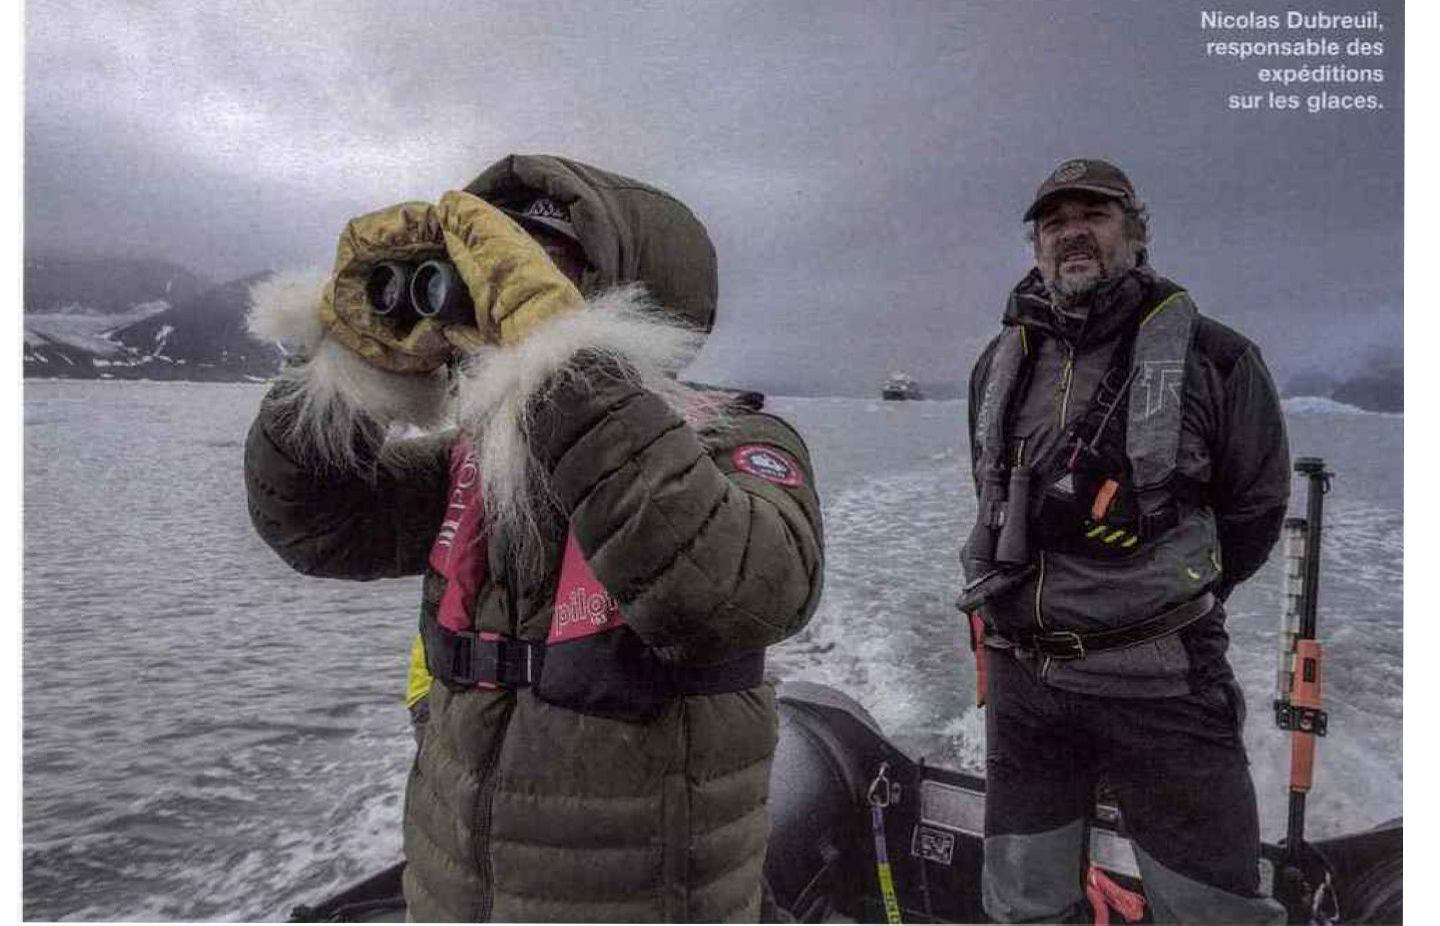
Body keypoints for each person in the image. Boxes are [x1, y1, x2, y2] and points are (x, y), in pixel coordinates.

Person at [245, 152, 824, 923]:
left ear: (631, 295)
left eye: (530, 268)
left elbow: (736, 593)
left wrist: (561, 354)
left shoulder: (738, 441)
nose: (491, 296)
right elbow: (315, 522)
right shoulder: (471, 462)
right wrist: (348, 368)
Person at [961, 158, 1291, 924]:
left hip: (1163, 685)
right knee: (1025, 903)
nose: (1073, 230)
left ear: (1135, 233)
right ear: (1037, 243)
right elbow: (989, 491)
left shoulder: (1218, 358)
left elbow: (1254, 511)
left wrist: (1153, 601)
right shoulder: (996, 365)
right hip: (1026, 684)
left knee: (1212, 911)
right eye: (1054, 219)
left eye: (1096, 213)